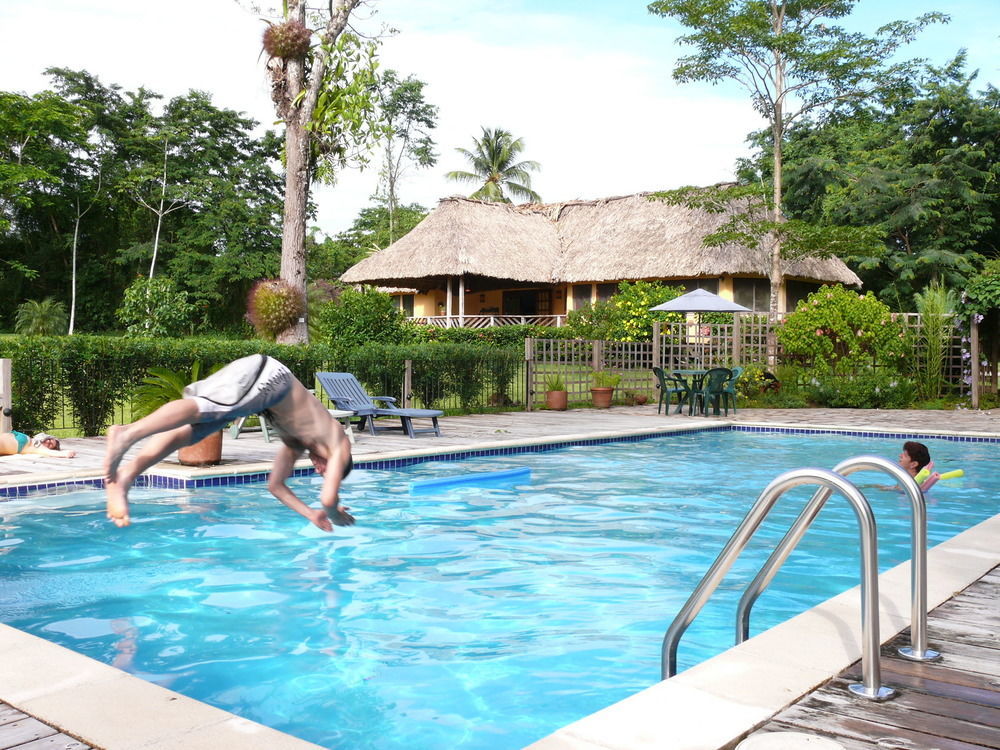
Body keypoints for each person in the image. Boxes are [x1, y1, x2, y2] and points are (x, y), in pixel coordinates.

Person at [104, 354, 353, 531]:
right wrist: (334, 515)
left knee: (192, 433)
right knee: (203, 408)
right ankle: (127, 433)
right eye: (326, 471)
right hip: (270, 377)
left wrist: (310, 515)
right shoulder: (339, 443)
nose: (319, 470)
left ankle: (125, 478)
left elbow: (275, 486)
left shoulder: (297, 442)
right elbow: (329, 499)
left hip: (263, 395)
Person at [1, 431, 76, 458]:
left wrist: (65, 453)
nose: (47, 442)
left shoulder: (37, 448)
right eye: (49, 439)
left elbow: (50, 452)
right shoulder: (33, 440)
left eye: (50, 445)